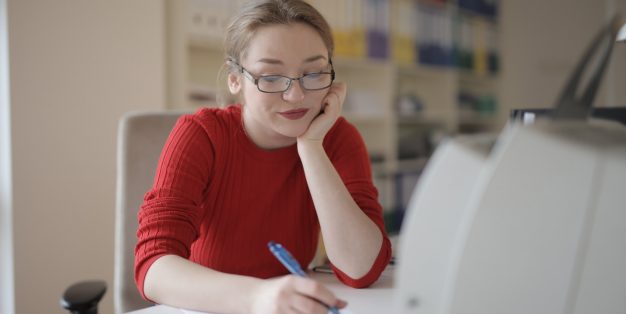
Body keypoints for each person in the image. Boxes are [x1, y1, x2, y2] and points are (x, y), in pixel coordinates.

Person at [134, 0, 392, 313]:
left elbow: (361, 268)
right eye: (270, 77)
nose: (295, 96)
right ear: (235, 80)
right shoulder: (201, 135)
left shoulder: (337, 138)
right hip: (208, 307)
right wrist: (258, 297)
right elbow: (153, 267)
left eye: (313, 73)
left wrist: (310, 145)